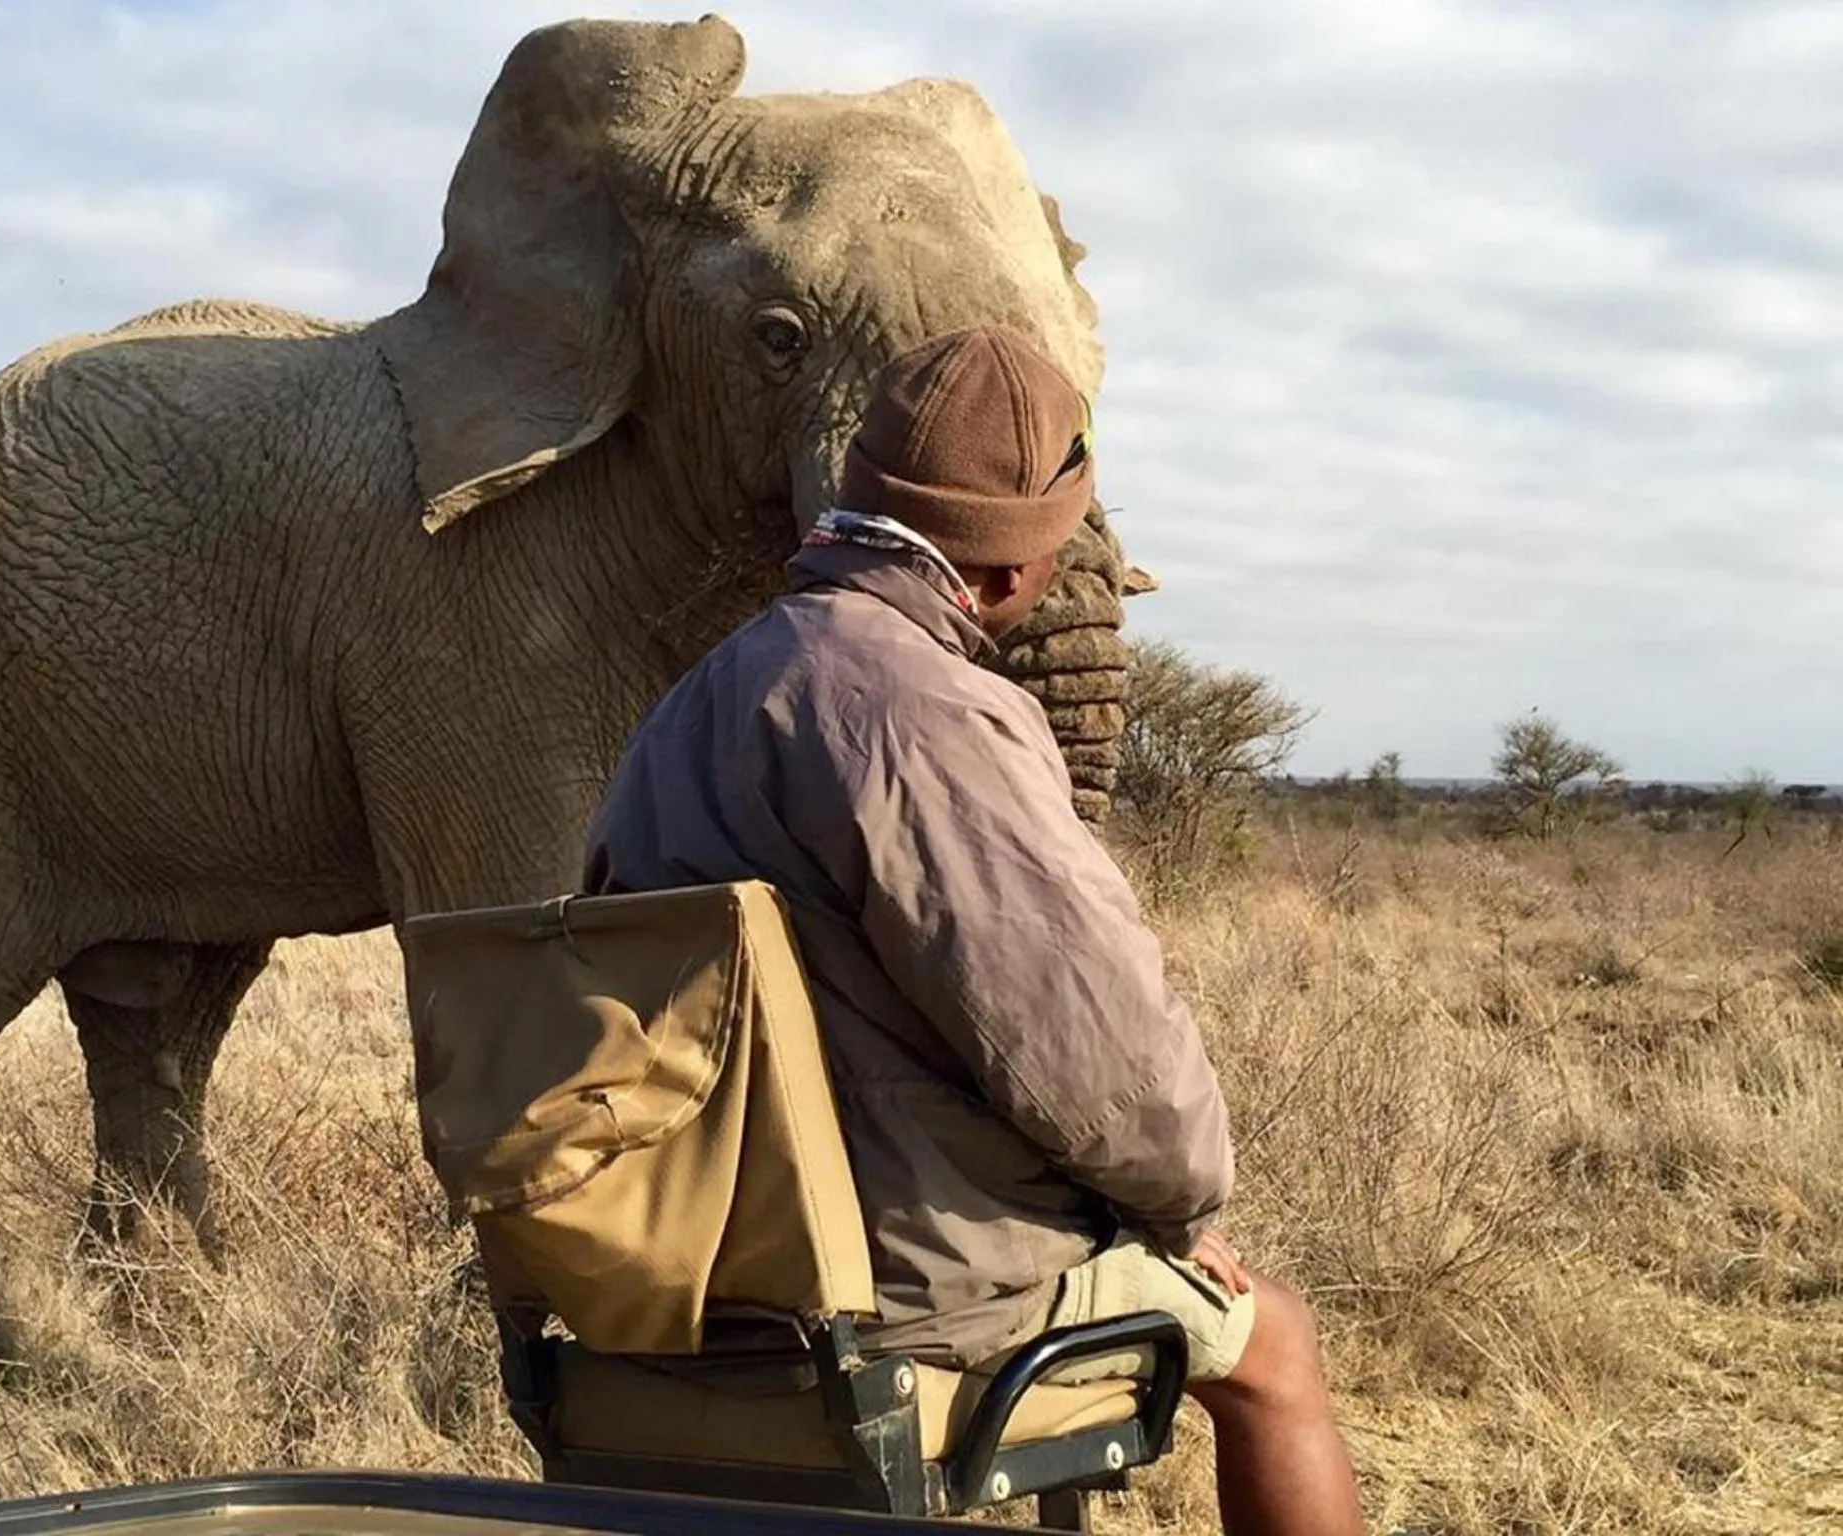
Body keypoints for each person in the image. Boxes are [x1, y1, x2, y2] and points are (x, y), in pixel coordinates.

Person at [581, 326, 1364, 1536]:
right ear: (1006, 574)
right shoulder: (926, 712)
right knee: (1276, 1351)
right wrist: (1177, 1210)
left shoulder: (688, 706)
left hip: (674, 1279)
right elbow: (1102, 1062)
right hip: (895, 1298)